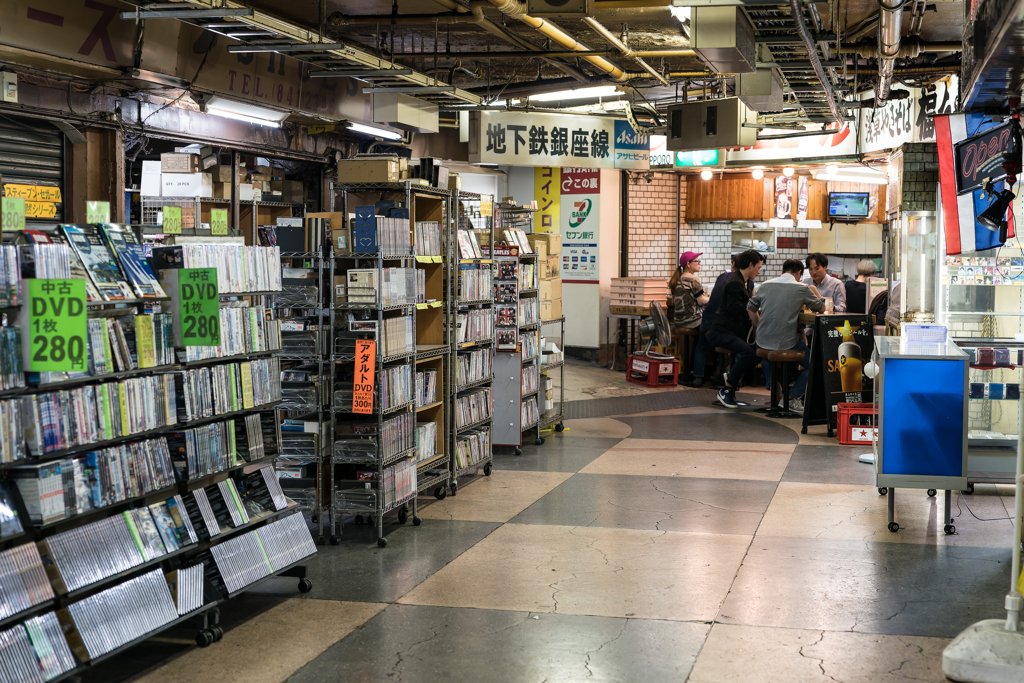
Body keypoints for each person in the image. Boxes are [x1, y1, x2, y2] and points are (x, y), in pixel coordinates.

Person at [747, 259, 825, 413]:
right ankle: (791, 396)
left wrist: (758, 327)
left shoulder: (766, 285)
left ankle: (772, 383)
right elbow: (821, 308)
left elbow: (750, 307)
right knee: (817, 365)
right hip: (787, 343)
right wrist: (813, 289)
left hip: (762, 340)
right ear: (799, 273)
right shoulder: (801, 288)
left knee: (768, 349)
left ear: (782, 272)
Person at [708, 249, 763, 408]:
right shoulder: (734, 282)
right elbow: (734, 308)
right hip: (720, 331)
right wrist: (752, 306)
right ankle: (727, 389)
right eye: (758, 267)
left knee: (758, 353)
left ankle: (730, 380)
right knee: (749, 353)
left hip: (730, 331)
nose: (759, 272)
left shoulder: (743, 281)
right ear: (750, 265)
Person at [692, 254, 752, 388]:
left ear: (732, 265)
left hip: (707, 318)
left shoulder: (722, 276)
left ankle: (698, 377)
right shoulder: (742, 282)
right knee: (739, 347)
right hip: (720, 322)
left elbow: (714, 294)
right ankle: (733, 379)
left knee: (702, 347)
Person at [669, 251, 709, 329]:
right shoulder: (693, 278)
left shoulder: (677, 279)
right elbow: (701, 302)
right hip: (692, 322)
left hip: (678, 321)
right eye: (697, 261)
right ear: (688, 264)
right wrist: (713, 297)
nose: (699, 263)